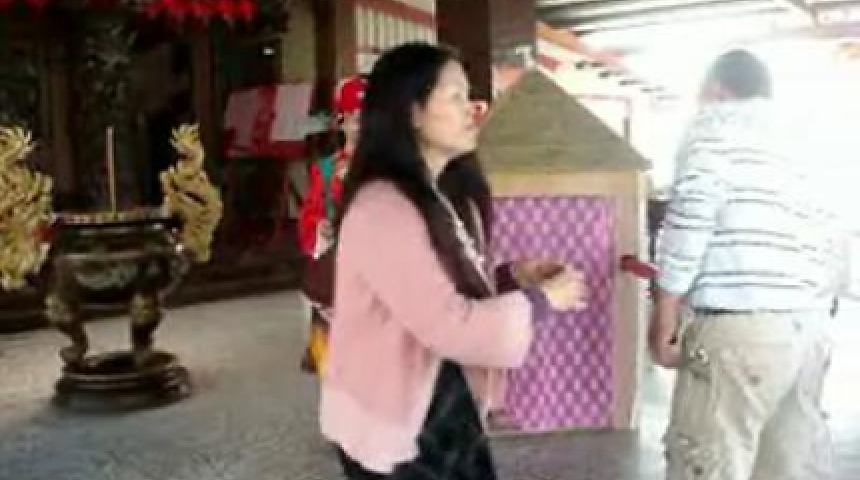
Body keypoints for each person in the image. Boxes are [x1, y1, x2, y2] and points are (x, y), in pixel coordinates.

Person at [319, 42, 587, 480]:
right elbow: (446, 323)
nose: (473, 109)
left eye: (470, 96)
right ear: (413, 112)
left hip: (438, 395)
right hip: (397, 417)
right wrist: (542, 301)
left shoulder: (440, 191)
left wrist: (511, 277)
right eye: (456, 96)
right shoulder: (383, 208)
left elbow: (434, 290)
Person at [650, 49, 836, 480]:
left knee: (709, 462)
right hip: (808, 330)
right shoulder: (801, 144)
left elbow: (690, 222)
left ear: (715, 90)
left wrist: (665, 315)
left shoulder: (713, 129)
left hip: (739, 334)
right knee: (789, 466)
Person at [298, 75, 367, 376]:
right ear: (342, 121)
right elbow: (309, 216)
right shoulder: (327, 169)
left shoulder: (390, 168)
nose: (362, 127)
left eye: (369, 119)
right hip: (338, 263)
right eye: (355, 118)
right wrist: (320, 227)